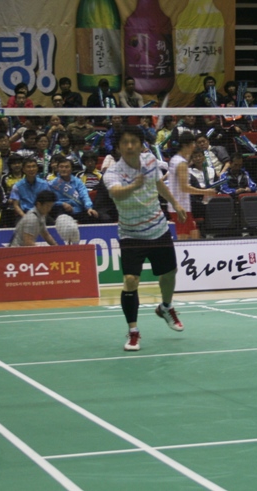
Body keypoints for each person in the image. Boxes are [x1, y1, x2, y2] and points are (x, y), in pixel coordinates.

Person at [104, 125, 190, 351]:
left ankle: (166, 307)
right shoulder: (113, 172)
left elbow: (158, 183)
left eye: (134, 141)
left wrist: (175, 203)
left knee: (169, 273)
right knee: (131, 280)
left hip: (158, 228)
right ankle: (133, 332)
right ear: (118, 147)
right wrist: (134, 185)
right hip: (131, 234)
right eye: (125, 142)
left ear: (141, 144)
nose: (129, 146)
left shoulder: (150, 160)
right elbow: (115, 192)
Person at [165, 131, 217, 240]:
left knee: (193, 233)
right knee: (183, 237)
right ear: (185, 145)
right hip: (180, 207)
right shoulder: (181, 163)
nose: (195, 146)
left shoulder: (175, 159)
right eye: (193, 143)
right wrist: (206, 191)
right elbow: (184, 188)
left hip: (181, 206)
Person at [48, 155, 99, 223]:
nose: (64, 169)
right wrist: (62, 204)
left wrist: (89, 208)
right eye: (61, 167)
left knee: (92, 215)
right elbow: (49, 201)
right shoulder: (52, 184)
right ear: (57, 169)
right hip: (61, 210)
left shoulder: (78, 182)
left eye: (67, 167)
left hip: (77, 210)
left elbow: (84, 195)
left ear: (71, 169)